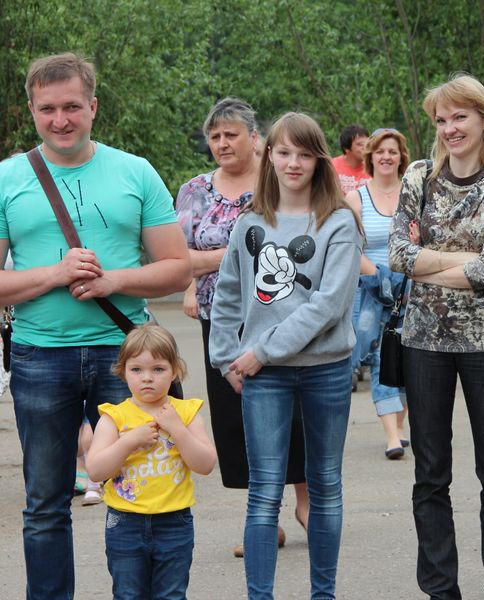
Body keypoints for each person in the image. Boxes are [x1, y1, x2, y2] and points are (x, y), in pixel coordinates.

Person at [0, 52, 191, 598]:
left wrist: (113, 280)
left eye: (72, 106)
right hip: (41, 357)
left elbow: (177, 267)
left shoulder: (134, 171)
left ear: (93, 106)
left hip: (129, 358)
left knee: (143, 495)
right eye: (48, 109)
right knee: (45, 504)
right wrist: (55, 273)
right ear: (32, 110)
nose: (61, 119)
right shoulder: (4, 180)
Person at [209, 112, 361, 599]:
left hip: (326, 372)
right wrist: (225, 357)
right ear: (268, 155)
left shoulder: (338, 221)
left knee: (325, 486)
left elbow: (329, 304)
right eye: (283, 152)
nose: (293, 163)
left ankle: (324, 593)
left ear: (319, 159)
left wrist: (261, 352)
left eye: (304, 153)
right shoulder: (251, 221)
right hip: (264, 377)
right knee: (264, 493)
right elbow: (228, 293)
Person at [388, 73, 484, 599]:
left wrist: (431, 265)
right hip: (423, 342)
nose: (449, 128)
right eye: (441, 120)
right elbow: (398, 257)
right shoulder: (419, 177)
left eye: (459, 117)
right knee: (430, 475)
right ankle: (440, 589)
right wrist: (465, 262)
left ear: (483, 118)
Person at [175, 97, 308, 555]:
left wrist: (227, 257)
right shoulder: (194, 190)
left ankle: (306, 500)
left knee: (295, 410)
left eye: (231, 134)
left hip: (286, 318)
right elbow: (181, 258)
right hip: (224, 322)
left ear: (256, 138)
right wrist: (231, 255)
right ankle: (264, 516)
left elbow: (302, 244)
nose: (222, 143)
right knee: (241, 418)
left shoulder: (281, 181)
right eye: (214, 136)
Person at [85, 324, 216, 600]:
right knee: (128, 594)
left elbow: (205, 464)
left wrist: (177, 429)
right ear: (122, 371)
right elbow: (96, 469)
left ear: (175, 370)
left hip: (175, 521)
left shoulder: (186, 412)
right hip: (125, 523)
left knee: (171, 594)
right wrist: (129, 442)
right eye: (137, 369)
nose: (147, 378)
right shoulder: (114, 416)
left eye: (158, 369)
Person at [344, 128, 410, 459]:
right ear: (370, 157)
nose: (386, 156)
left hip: (412, 291)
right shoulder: (356, 198)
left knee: (409, 360)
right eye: (380, 151)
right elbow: (348, 249)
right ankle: (392, 437)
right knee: (379, 359)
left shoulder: (414, 195)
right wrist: (383, 278)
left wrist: (407, 281)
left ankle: (398, 426)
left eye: (393, 151)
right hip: (371, 291)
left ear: (401, 158)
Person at [331, 124, 371, 193]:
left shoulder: (373, 167)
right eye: (360, 144)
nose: (365, 148)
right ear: (346, 148)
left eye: (367, 144)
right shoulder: (331, 167)